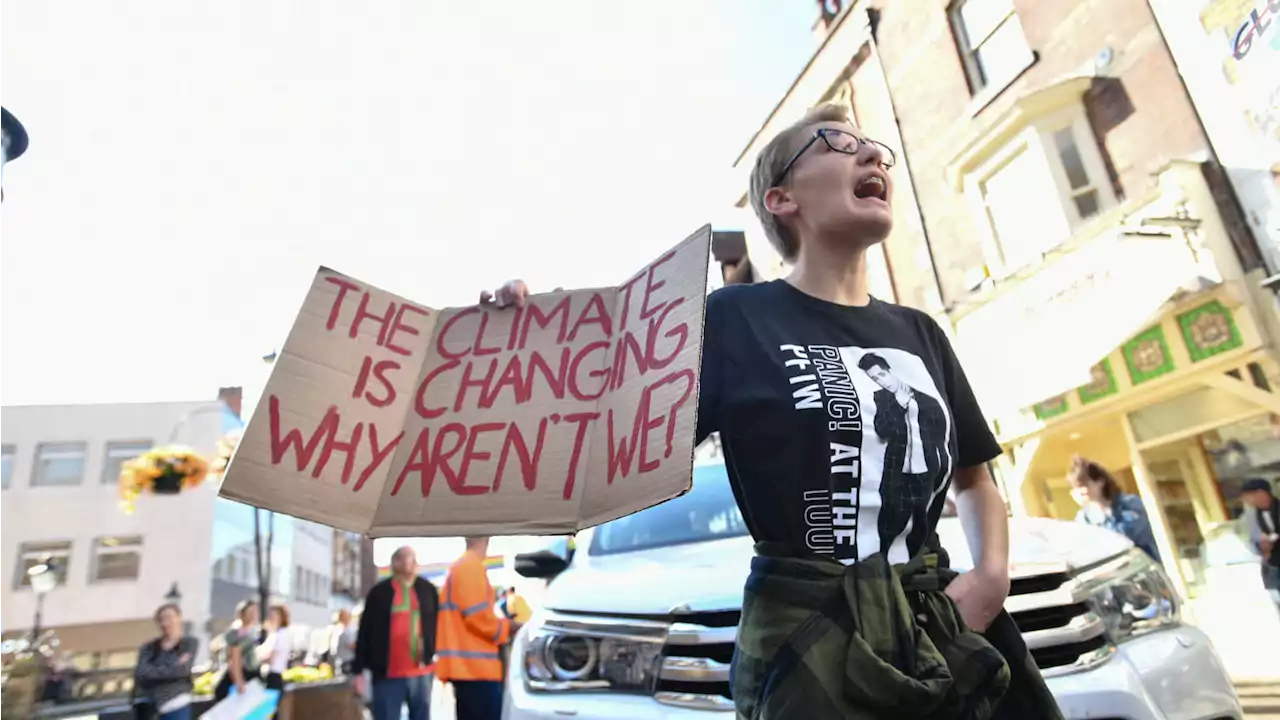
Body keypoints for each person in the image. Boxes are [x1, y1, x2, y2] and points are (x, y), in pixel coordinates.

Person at [481, 103, 1061, 718]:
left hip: (941, 627)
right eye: (837, 143)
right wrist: (529, 342)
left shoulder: (919, 332)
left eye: (875, 148)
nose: (871, 155)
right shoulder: (733, 318)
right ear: (783, 199)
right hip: (808, 638)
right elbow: (610, 438)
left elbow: (974, 475)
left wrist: (990, 578)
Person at [857, 351, 948, 553]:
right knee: (889, 523)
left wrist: (940, 468)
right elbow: (882, 429)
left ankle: (918, 562)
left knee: (920, 525)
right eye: (874, 378)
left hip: (924, 471)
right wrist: (899, 404)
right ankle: (882, 560)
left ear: (889, 370)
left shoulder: (927, 400)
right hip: (897, 471)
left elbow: (939, 438)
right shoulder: (882, 399)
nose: (880, 382)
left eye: (881, 375)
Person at [436, 537, 517, 720]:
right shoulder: (469, 567)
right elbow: (478, 618)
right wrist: (507, 628)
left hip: (470, 669)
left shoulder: (463, 567)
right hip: (476, 670)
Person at [354, 546, 438, 720]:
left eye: (413, 559)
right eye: (405, 558)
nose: (410, 563)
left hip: (422, 672)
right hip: (387, 674)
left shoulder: (428, 590)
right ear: (394, 562)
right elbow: (365, 631)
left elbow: (438, 625)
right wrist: (358, 670)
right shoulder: (379, 593)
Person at [1068, 455, 1160, 562]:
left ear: (1100, 482)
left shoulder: (1130, 504)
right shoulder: (1084, 518)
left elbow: (1137, 535)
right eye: (1077, 487)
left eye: (1086, 485)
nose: (1082, 491)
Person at [133, 603, 198, 720]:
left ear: (178, 618)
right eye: (161, 619)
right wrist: (173, 665)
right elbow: (142, 673)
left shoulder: (188, 643)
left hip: (177, 703)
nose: (165, 623)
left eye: (169, 617)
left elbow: (182, 670)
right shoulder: (149, 648)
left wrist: (155, 670)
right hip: (151, 706)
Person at [1241, 477, 1280, 609]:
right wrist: (1262, 546)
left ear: (1261, 493)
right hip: (1274, 563)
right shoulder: (1253, 515)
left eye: (1248, 496)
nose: (1247, 500)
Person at [214, 600, 259, 702]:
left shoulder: (251, 631)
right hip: (235, 679)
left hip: (248, 677)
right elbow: (233, 658)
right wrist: (239, 682)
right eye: (250, 612)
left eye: (255, 612)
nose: (254, 615)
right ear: (242, 614)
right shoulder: (237, 631)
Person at [258, 604, 292, 693]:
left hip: (273, 676)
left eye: (274, 615)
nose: (271, 618)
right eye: (270, 615)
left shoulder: (281, 634)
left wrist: (255, 661)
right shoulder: (274, 633)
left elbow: (271, 657)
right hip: (269, 675)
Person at [330, 609, 358, 675]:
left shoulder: (352, 629)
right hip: (345, 661)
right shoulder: (341, 630)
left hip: (348, 660)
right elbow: (351, 645)